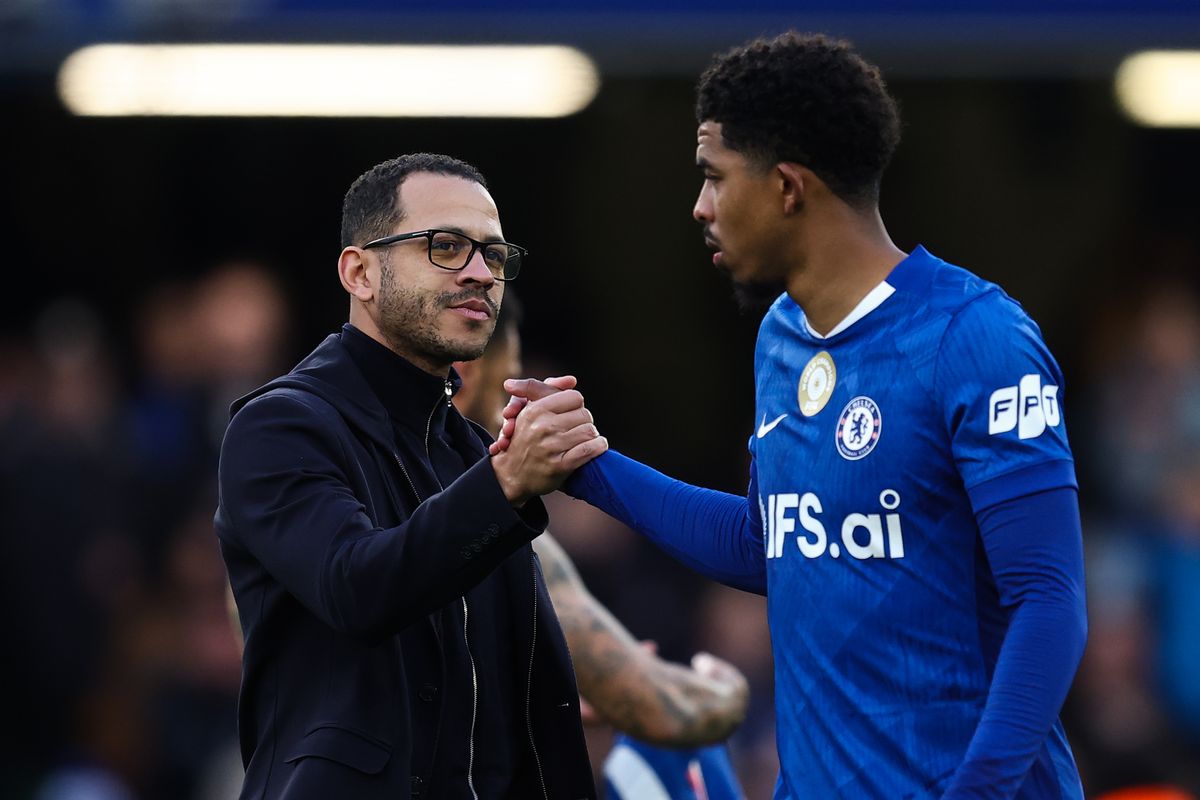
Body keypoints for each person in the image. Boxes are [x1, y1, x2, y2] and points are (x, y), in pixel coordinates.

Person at [497, 32, 1088, 799]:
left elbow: (1049, 598)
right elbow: (768, 540)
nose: (700, 207)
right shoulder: (781, 337)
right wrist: (589, 468)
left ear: (787, 188)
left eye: (714, 177)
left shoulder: (975, 338)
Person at [215, 153, 606, 800]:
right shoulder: (277, 427)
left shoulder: (473, 452)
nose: (481, 273)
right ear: (360, 272)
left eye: (495, 254)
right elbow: (358, 586)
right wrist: (508, 481)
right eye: (447, 246)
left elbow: (528, 709)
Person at [449, 291, 749, 799]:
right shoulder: (493, 529)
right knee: (672, 760)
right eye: (511, 383)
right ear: (464, 373)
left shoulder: (324, 479)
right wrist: (724, 688)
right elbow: (667, 707)